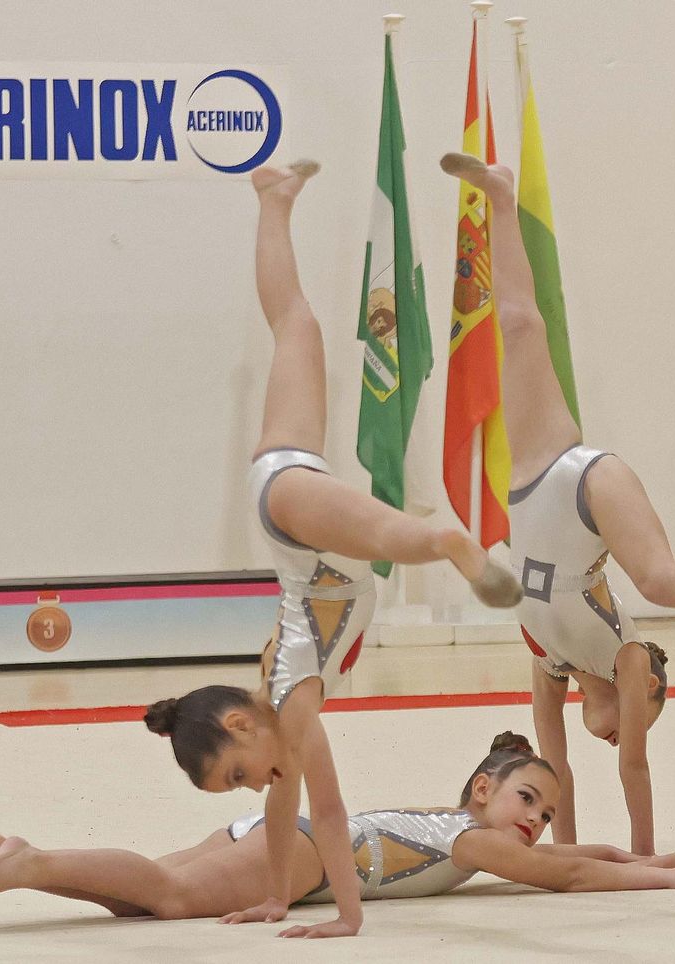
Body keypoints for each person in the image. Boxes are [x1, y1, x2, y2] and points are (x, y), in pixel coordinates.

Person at [138, 161, 522, 938]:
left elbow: (331, 811)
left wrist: (347, 917)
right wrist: (278, 898)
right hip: (287, 485)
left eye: (238, 774)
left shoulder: (294, 702)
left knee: (390, 533)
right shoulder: (277, 707)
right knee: (297, 326)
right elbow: (288, 814)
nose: (257, 786)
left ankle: (448, 541)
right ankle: (273, 198)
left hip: (298, 521)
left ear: (243, 727)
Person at [437, 152, 675, 856]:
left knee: (518, 327)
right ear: (648, 684)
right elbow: (633, 765)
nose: (622, 734)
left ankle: (498, 199)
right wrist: (644, 859)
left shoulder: (551, 662)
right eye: (639, 718)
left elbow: (553, 767)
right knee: (656, 577)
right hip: (585, 485)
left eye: (629, 724)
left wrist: (563, 855)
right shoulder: (628, 657)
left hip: (539, 480)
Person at [0, 733, 675, 922]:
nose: (539, 823)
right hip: (309, 853)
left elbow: (586, 856)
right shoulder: (475, 839)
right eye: (528, 800)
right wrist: (667, 879)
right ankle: (27, 862)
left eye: (547, 814)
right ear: (484, 788)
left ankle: (4, 849)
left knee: (139, 901)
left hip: (283, 833)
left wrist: (653, 854)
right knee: (169, 896)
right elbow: (572, 875)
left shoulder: (462, 821)